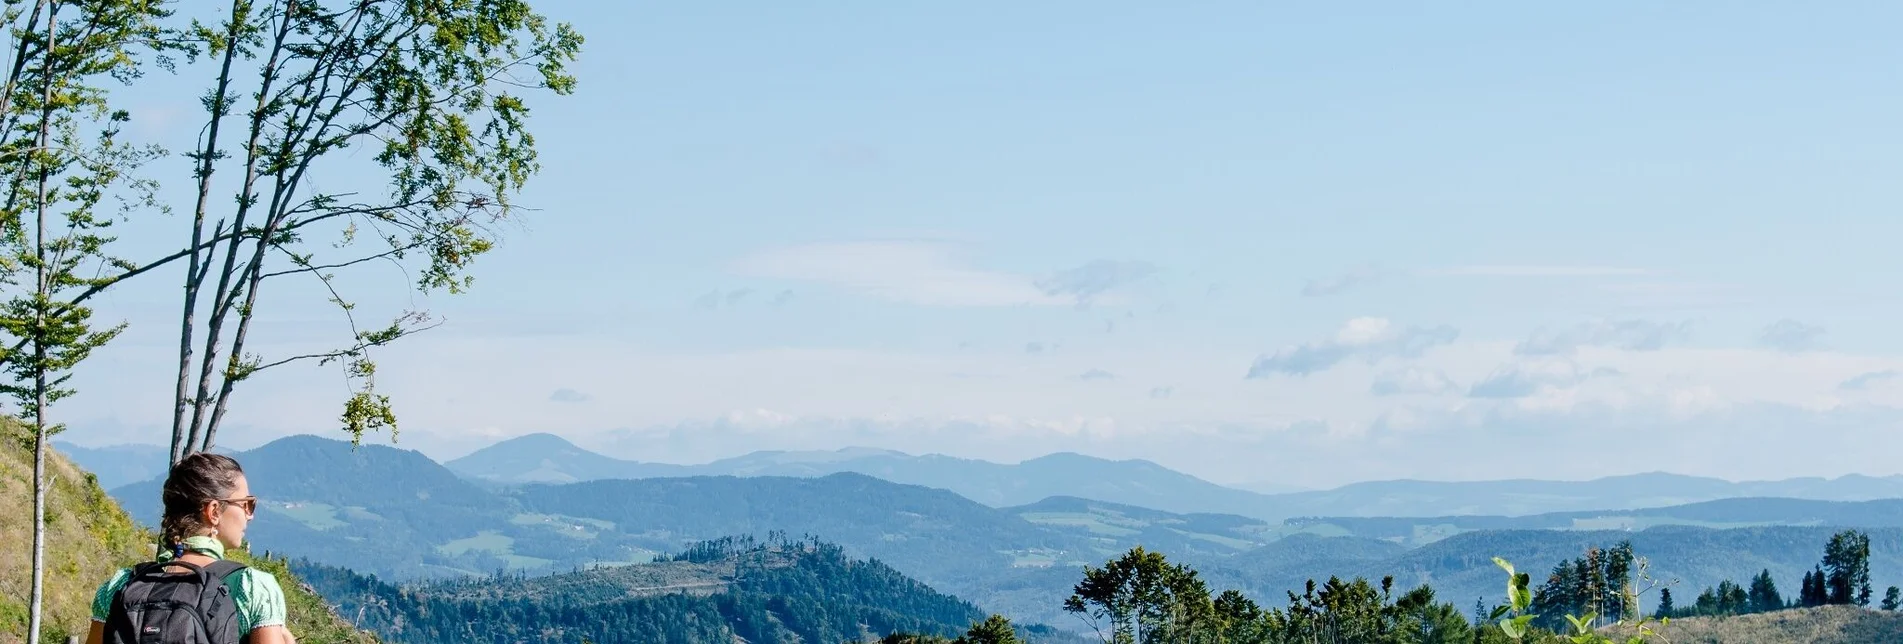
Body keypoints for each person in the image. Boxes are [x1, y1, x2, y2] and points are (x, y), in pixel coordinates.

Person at [86, 452, 296, 644]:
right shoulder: (252, 588)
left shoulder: (121, 585)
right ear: (214, 511)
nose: (250, 515)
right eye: (246, 504)